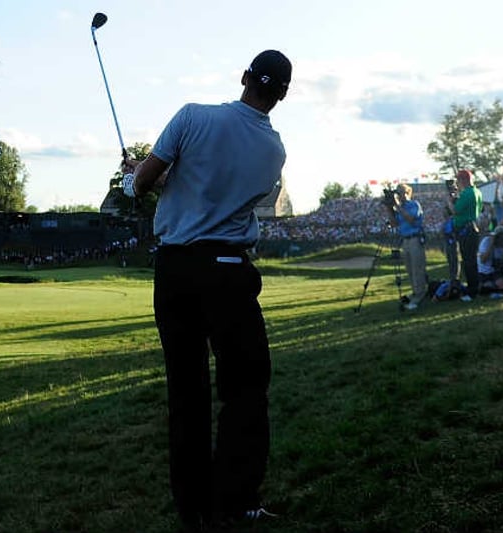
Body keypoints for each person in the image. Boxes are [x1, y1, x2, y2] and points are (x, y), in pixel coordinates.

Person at [120, 49, 290, 532]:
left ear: (243, 78)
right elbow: (222, 192)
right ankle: (237, 500)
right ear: (281, 94)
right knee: (245, 388)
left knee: (187, 389)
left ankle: (193, 508)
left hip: (177, 270)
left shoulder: (191, 116)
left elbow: (143, 184)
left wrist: (135, 172)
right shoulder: (275, 151)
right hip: (229, 272)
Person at [386, 184, 428, 310]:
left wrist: (397, 206)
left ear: (408, 193)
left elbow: (410, 219)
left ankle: (420, 295)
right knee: (410, 270)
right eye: (398, 193)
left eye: (403, 192)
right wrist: (389, 208)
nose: (400, 195)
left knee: (417, 268)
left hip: (415, 238)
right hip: (405, 240)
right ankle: (415, 292)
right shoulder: (400, 208)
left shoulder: (414, 204)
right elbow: (393, 224)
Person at [448, 169, 483, 301]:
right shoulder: (477, 192)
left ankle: (472, 290)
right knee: (471, 260)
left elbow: (455, 211)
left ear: (463, 180)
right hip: (472, 226)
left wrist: (449, 201)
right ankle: (474, 287)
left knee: (468, 261)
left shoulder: (467, 193)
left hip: (465, 229)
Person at [477, 226, 503, 294]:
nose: (501, 240)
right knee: (487, 286)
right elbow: (483, 260)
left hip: (496, 271)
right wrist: (491, 244)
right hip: (485, 271)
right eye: (499, 237)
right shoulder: (486, 242)